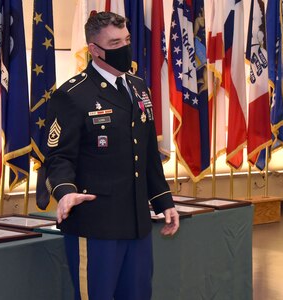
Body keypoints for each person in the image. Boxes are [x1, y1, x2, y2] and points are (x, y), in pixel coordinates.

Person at [42, 11, 179, 300]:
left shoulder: (138, 87)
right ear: (94, 49)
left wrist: (163, 201)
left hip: (137, 223)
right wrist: (65, 191)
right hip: (96, 224)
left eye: (127, 40)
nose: (124, 48)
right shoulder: (73, 94)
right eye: (115, 43)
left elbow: (148, 154)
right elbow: (58, 157)